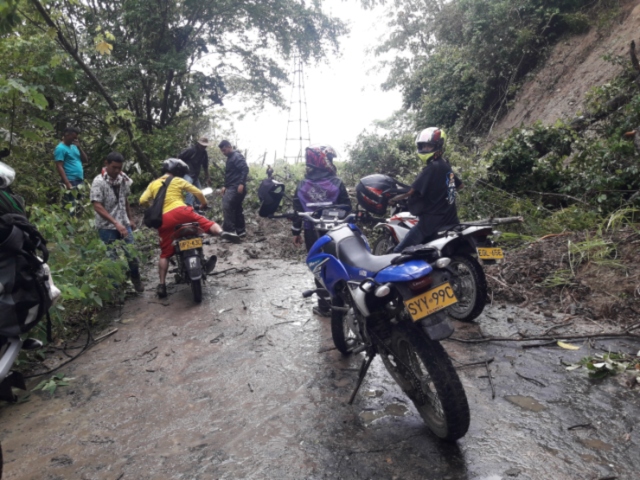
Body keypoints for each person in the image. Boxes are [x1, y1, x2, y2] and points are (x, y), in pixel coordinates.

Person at [139, 158, 240, 298]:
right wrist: (203, 204)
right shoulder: (178, 181)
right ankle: (221, 233)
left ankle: (162, 285)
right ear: (178, 172)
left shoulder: (153, 184)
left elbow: (142, 200)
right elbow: (198, 192)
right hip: (183, 212)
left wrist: (153, 207)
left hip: (165, 219)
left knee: (165, 254)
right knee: (207, 223)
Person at [291, 145, 351, 317]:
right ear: (323, 161)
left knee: (319, 267)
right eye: (329, 159)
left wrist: (296, 232)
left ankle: (324, 306)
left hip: (312, 232)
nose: (331, 163)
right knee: (340, 264)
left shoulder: (302, 185)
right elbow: (348, 208)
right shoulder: (337, 182)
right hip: (337, 232)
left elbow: (297, 212)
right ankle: (342, 303)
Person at [390, 127, 463, 253]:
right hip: (450, 219)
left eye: (429, 146)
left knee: (398, 252)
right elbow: (460, 185)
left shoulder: (431, 168)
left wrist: (391, 199)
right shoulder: (445, 166)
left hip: (430, 223)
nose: (425, 149)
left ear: (438, 146)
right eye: (423, 146)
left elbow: (410, 191)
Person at [90, 152, 144, 293]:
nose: (116, 171)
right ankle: (116, 291)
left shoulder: (123, 180)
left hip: (124, 223)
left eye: (119, 168)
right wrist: (115, 223)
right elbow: (97, 205)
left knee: (131, 254)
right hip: (106, 226)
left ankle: (136, 278)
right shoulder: (98, 182)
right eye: (114, 167)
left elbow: (125, 200)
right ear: (106, 163)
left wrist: (130, 219)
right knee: (111, 258)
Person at [219, 140, 249, 238]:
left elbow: (245, 169)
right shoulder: (230, 157)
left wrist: (241, 183)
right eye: (222, 152)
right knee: (236, 208)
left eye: (224, 150)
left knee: (227, 204)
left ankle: (229, 232)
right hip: (232, 186)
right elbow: (231, 174)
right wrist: (225, 186)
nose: (223, 153)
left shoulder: (236, 156)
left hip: (237, 187)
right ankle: (240, 231)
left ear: (229, 147)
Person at [54, 126, 88, 208]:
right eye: (73, 137)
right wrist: (67, 183)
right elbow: (59, 166)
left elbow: (85, 160)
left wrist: (79, 147)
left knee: (80, 206)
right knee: (70, 205)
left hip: (79, 180)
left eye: (76, 138)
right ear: (66, 135)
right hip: (70, 180)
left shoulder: (74, 146)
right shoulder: (60, 148)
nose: (75, 139)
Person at [178, 137, 212, 207]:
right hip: (188, 173)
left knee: (199, 192)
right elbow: (179, 157)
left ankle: (200, 207)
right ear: (199, 144)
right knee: (189, 190)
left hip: (195, 175)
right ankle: (189, 206)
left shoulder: (204, 154)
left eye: (205, 146)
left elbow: (205, 166)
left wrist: (207, 177)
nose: (204, 147)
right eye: (202, 145)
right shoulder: (191, 150)